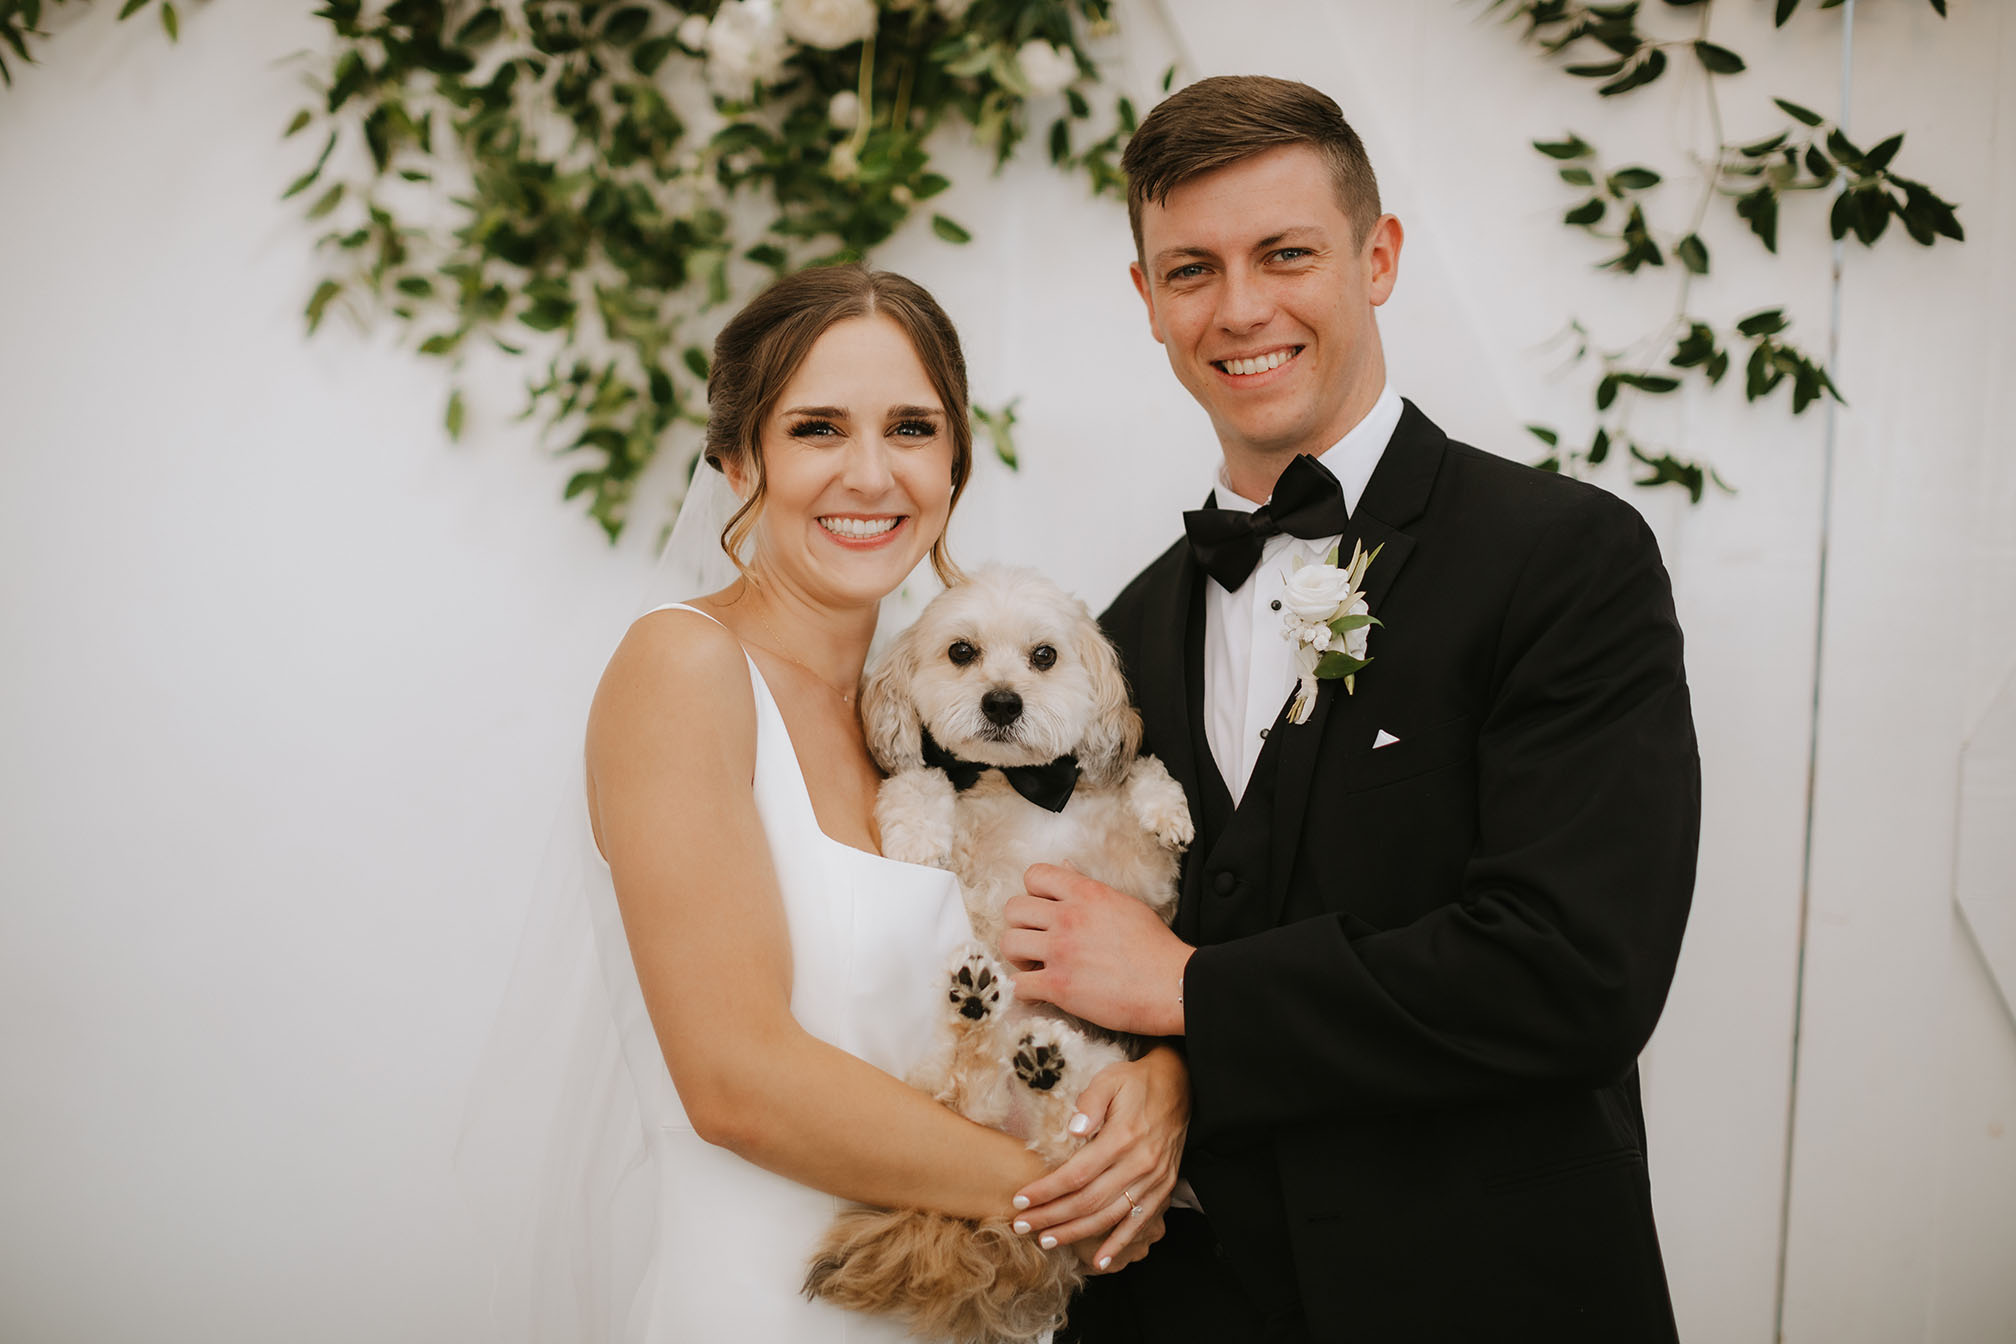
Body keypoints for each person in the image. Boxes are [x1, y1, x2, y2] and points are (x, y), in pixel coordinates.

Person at [1000, 77, 1700, 1342]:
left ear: (1376, 259)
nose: (1242, 307)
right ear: (1147, 299)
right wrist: (1161, 1063)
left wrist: (1193, 999)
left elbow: (1574, 972)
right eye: (1192, 269)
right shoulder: (1121, 638)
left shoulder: (1563, 558)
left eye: (1285, 253)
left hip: (1493, 1297)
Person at [552, 264, 1188, 1341]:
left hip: (975, 1313)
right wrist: (1072, 1189)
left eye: (909, 427)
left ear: (953, 465)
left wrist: (1161, 1085)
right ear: (734, 457)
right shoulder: (684, 668)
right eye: (815, 430)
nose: (869, 473)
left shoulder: (930, 727)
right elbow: (736, 1082)